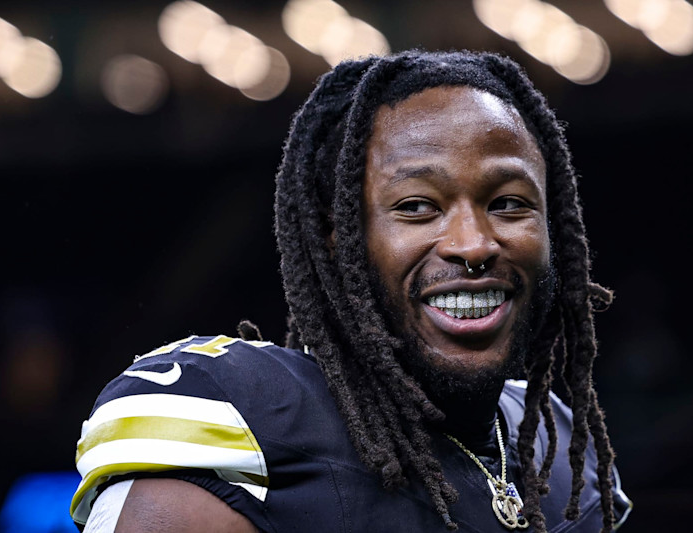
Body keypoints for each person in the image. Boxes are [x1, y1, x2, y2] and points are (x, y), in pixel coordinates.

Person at [70, 50, 632, 533]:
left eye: (509, 203)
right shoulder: (241, 418)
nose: (474, 244)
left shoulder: (562, 454)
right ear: (340, 240)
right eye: (417, 207)